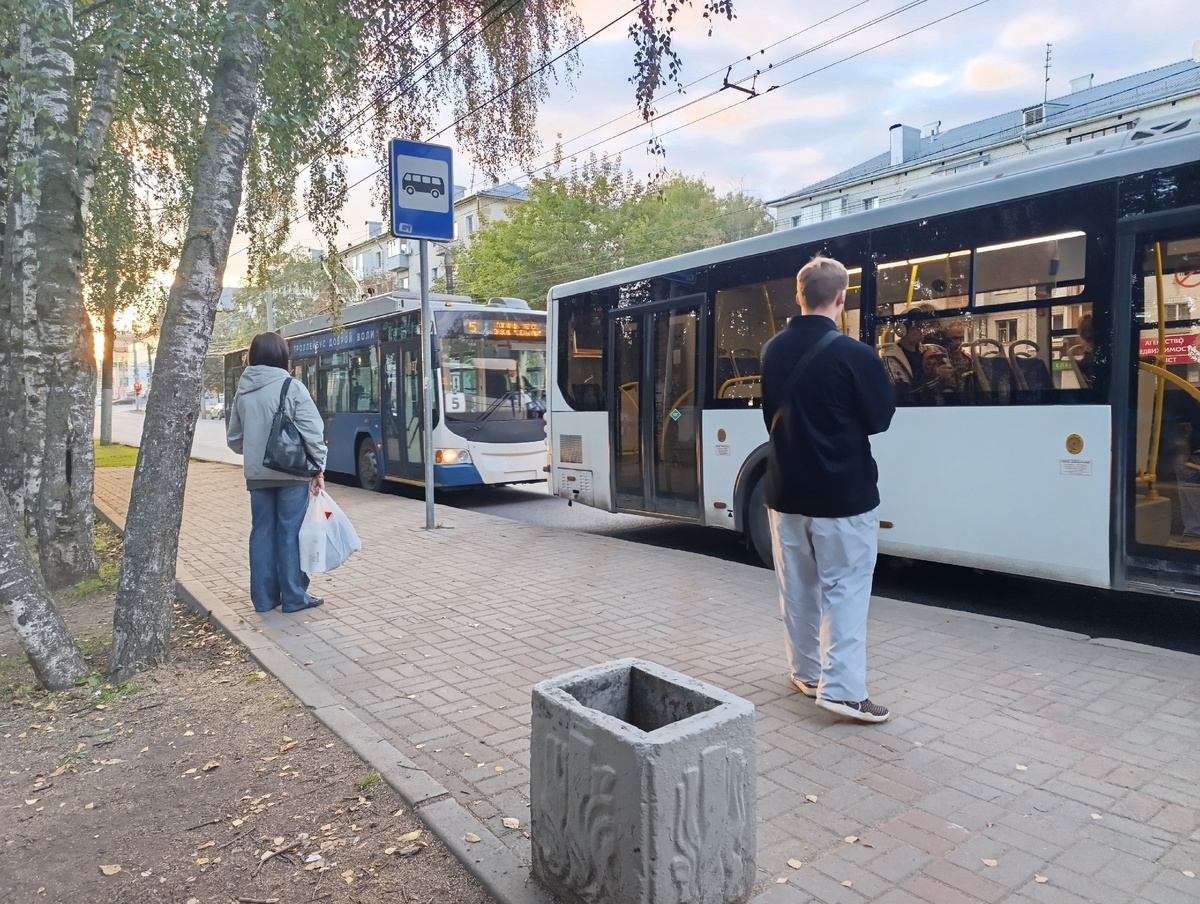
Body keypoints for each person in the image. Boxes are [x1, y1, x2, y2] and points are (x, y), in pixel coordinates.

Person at [760, 255, 897, 723]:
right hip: (842, 494)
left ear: (798, 295)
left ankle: (807, 673)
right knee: (847, 588)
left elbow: (771, 416)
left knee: (797, 586)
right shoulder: (856, 355)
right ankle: (843, 691)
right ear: (842, 297)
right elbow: (880, 419)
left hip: (785, 488)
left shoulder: (772, 351)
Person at [226, 332, 328, 614]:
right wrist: (318, 468)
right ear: (282, 355)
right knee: (289, 532)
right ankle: (294, 597)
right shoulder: (292, 387)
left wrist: (257, 451)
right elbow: (313, 433)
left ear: (253, 355)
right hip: (291, 473)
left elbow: (234, 440)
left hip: (257, 477)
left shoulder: (243, 392)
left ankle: (263, 599)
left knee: (261, 533)